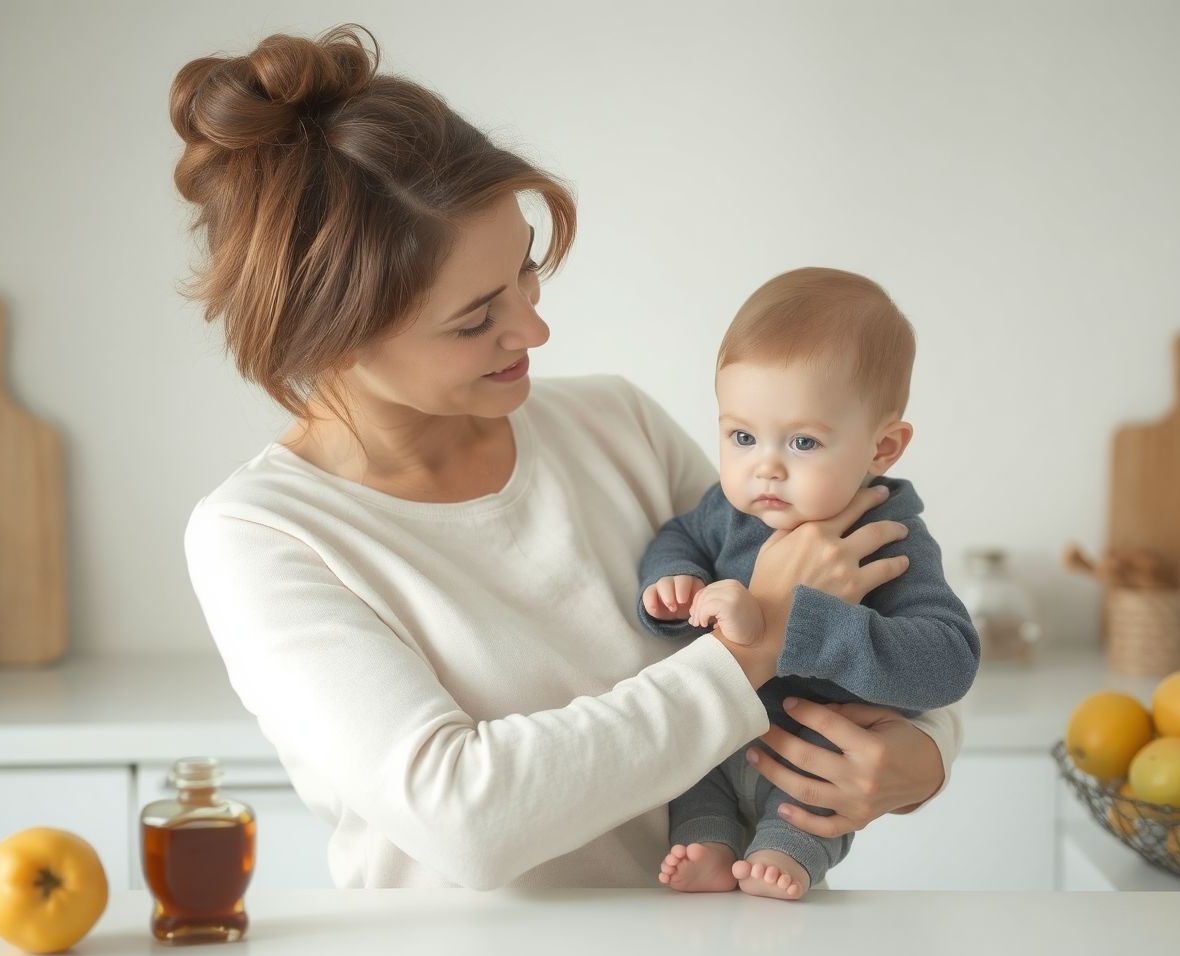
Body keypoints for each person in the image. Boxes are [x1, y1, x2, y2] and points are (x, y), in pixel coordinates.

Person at [173, 24, 965, 891]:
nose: (534, 329)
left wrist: (923, 757)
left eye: (526, 269)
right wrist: (751, 646)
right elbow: (467, 819)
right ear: (330, 336)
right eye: (476, 318)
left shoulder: (614, 425)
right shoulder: (263, 535)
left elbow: (881, 609)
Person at [639, 268, 980, 900]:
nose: (764, 466)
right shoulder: (729, 509)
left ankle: (787, 857)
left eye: (802, 441)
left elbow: (949, 661)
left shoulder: (890, 538)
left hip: (812, 750)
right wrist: (674, 580)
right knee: (691, 774)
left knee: (805, 804)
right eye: (742, 436)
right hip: (718, 735)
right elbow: (679, 536)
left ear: (883, 447)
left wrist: (801, 627)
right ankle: (710, 843)